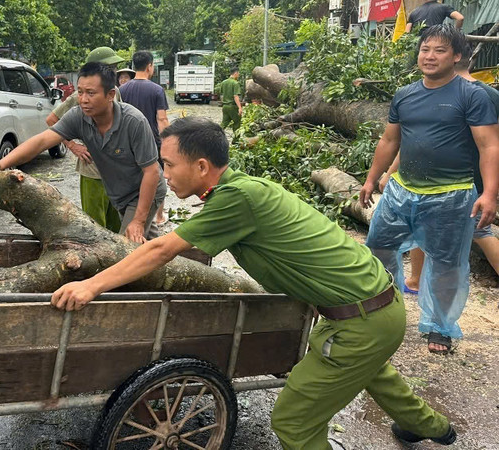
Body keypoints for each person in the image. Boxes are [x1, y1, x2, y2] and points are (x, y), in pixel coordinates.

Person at [52, 117, 458, 449]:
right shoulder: (237, 189)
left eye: (169, 164)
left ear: (201, 167)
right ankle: (433, 427)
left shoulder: (236, 199)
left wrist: (92, 286)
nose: (164, 173)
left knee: (293, 422)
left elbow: (160, 251)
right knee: (371, 370)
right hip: (373, 307)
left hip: (362, 321)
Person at [359, 24, 499, 355]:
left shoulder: (472, 95)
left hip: (451, 195)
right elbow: (390, 139)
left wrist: (490, 193)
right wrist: (370, 178)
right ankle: (383, 308)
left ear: (457, 56)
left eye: (439, 50)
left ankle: (439, 326)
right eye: (425, 49)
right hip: (401, 191)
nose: (429, 56)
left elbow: (489, 146)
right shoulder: (405, 94)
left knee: (447, 264)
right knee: (377, 247)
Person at [0, 61, 167, 244]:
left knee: (128, 246)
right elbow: (42, 140)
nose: (83, 100)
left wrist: (139, 221)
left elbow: (151, 172)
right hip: (120, 194)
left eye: (91, 93)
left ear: (110, 95)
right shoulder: (78, 117)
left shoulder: (134, 122)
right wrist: (3, 162)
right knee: (149, 244)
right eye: (80, 92)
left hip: (144, 190)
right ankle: (170, 273)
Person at [382, 48, 499, 292]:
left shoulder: (465, 95)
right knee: (424, 223)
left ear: (453, 59)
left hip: (459, 179)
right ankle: (415, 280)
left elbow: (418, 142)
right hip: (477, 175)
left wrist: (391, 171)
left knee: (480, 230)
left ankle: (420, 284)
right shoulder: (491, 93)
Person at [45, 47, 126, 233]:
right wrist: (72, 145)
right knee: (96, 226)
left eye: (114, 68)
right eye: (111, 67)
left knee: (116, 225)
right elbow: (52, 120)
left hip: (116, 170)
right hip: (92, 171)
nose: (114, 72)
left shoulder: (115, 92)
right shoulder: (80, 97)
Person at [119, 50, 170, 225]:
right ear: (149, 66)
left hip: (127, 143)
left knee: (132, 178)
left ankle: (130, 214)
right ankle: (158, 216)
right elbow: (161, 119)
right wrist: (168, 142)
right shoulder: (156, 90)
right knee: (156, 178)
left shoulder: (122, 89)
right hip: (151, 144)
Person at [218, 68, 244, 135]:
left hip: (225, 106)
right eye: (238, 73)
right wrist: (240, 108)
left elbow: (221, 95)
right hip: (232, 107)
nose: (239, 75)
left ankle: (215, 135)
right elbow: (236, 96)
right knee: (237, 123)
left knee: (224, 123)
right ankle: (236, 141)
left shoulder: (223, 82)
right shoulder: (235, 83)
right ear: (235, 73)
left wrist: (224, 102)